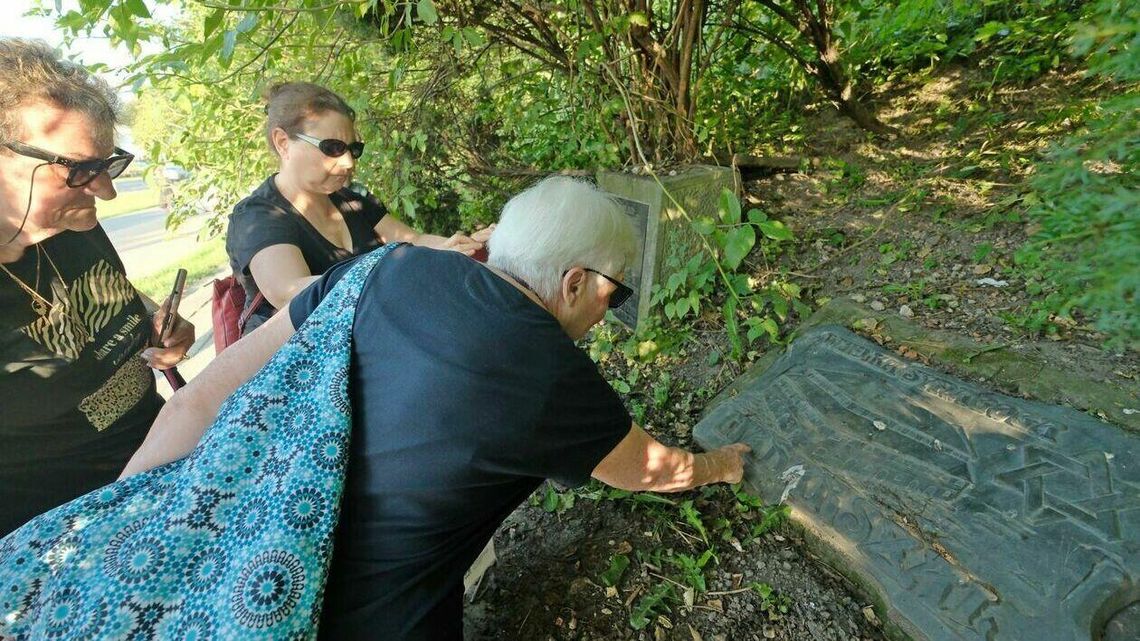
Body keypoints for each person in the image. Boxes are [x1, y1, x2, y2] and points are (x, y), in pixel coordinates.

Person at [112, 176, 752, 639]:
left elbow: (198, 398)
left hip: (240, 560)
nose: (607, 313)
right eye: (614, 296)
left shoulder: (378, 269)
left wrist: (122, 525)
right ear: (575, 282)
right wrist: (720, 463)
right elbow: (651, 470)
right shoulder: (551, 375)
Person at [0, 39, 195, 536]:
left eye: (108, 166)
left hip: (164, 458)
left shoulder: (71, 221)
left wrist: (161, 323)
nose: (105, 192)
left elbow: (114, 292)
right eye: (82, 170)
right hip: (73, 529)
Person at [226, 81, 492, 334]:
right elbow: (291, 293)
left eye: (353, 149)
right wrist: (395, 270)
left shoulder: (352, 201)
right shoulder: (258, 217)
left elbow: (415, 240)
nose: (348, 163)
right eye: (332, 148)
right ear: (283, 142)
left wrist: (462, 245)